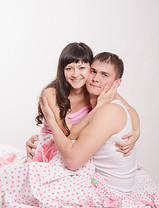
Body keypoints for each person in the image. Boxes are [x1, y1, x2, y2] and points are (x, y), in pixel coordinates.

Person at [40, 51, 137, 195]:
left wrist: (137, 131)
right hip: (93, 178)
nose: (96, 79)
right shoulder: (96, 99)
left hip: (107, 192)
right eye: (93, 71)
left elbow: (73, 161)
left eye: (104, 75)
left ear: (117, 83)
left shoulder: (109, 109)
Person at [26, 42, 140, 160]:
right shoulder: (52, 93)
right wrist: (99, 106)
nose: (76, 74)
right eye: (69, 68)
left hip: (77, 150)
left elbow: (131, 111)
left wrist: (136, 132)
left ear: (89, 69)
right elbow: (69, 134)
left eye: (82, 68)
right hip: (56, 148)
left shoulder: (94, 90)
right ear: (62, 70)